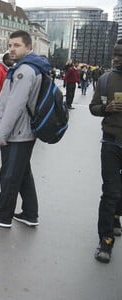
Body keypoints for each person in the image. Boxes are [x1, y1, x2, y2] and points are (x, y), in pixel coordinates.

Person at [0, 30, 48, 228]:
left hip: (17, 133)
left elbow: (14, 106)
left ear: (28, 47)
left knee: (9, 175)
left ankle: (3, 215)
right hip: (24, 131)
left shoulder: (24, 71)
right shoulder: (32, 67)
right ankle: (30, 213)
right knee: (23, 173)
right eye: (10, 45)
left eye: (17, 45)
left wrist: (1, 135)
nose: (11, 49)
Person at [88, 43, 122, 263]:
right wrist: (105, 109)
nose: (117, 59)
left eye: (121, 55)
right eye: (115, 55)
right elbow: (93, 107)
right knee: (110, 191)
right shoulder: (106, 80)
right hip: (111, 143)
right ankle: (106, 240)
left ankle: (116, 218)